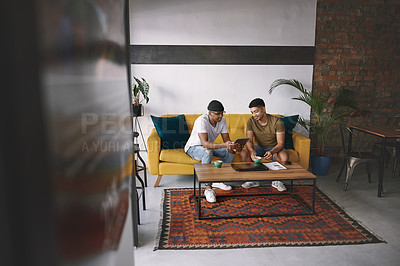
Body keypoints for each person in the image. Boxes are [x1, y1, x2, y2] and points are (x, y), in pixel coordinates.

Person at [185, 100, 242, 203]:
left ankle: (218, 180)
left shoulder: (222, 121)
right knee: (208, 151)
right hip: (193, 148)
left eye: (222, 113)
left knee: (230, 151)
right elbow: (205, 144)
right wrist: (226, 144)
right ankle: (208, 188)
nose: (220, 116)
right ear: (210, 113)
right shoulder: (201, 120)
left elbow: (226, 141)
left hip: (208, 146)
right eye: (217, 114)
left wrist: (233, 146)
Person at [240, 98, 288, 191]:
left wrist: (272, 151)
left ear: (264, 109)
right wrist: (252, 151)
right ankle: (252, 180)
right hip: (259, 148)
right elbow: (249, 140)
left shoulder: (277, 122)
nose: (254, 115)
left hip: (274, 148)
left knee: (284, 156)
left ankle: (277, 181)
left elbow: (281, 144)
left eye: (256, 112)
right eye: (252, 112)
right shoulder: (251, 121)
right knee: (244, 152)